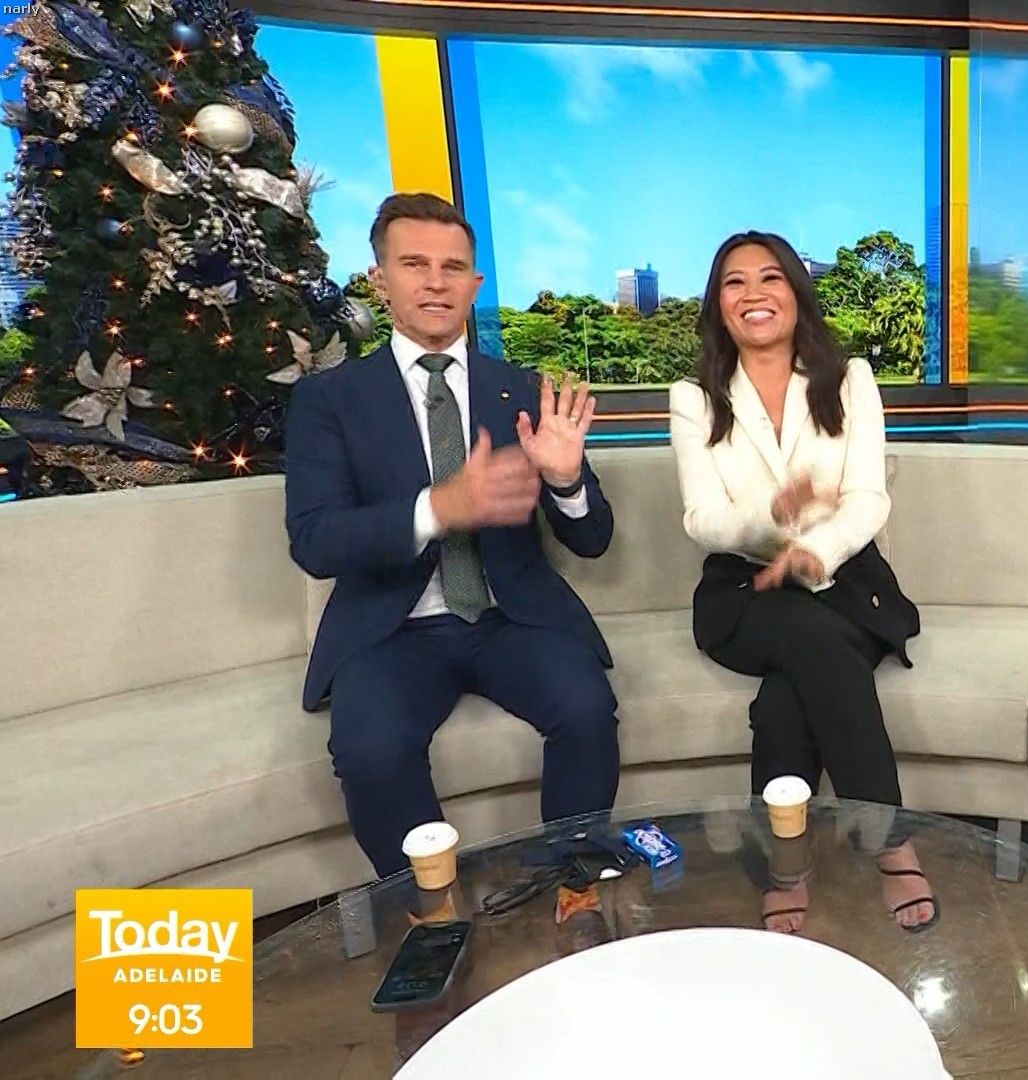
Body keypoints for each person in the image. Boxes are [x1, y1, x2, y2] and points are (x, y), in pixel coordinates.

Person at [284, 193, 620, 940]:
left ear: (475, 283)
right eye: (415, 264)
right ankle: (432, 915)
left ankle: (575, 885)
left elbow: (594, 537)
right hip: (393, 630)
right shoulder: (329, 401)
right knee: (371, 749)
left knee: (587, 708)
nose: (435, 282)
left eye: (453, 267)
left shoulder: (521, 390)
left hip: (511, 616)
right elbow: (314, 539)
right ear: (380, 279)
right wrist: (437, 508)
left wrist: (566, 480)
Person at [667, 230, 934, 934]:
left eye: (770, 278)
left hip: (845, 581)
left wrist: (814, 552)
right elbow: (702, 519)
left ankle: (786, 866)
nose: (753, 294)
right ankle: (890, 841)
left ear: (796, 292)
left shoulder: (849, 381)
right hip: (745, 592)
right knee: (813, 640)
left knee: (789, 695)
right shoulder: (694, 398)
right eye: (734, 282)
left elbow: (868, 498)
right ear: (718, 304)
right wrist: (772, 518)